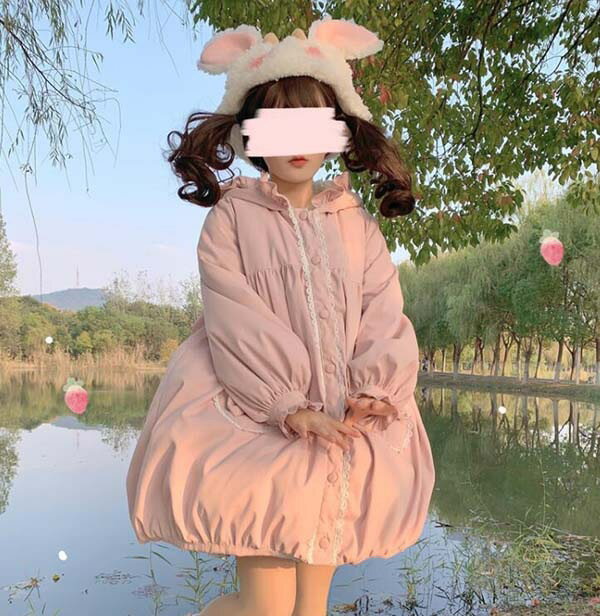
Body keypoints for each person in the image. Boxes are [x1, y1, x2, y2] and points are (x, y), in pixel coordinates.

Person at [125, 17, 436, 616]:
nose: (297, 141)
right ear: (251, 133)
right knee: (263, 609)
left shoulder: (357, 225)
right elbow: (233, 317)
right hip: (259, 420)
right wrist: (287, 402)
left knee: (309, 610)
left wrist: (376, 388)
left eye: (312, 123)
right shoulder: (231, 219)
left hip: (337, 431)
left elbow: (383, 310)